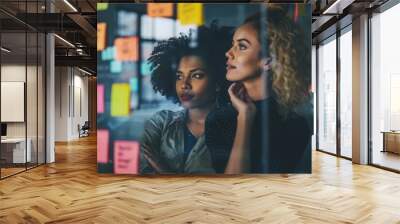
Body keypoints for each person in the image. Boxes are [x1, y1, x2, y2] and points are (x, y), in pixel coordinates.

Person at [205, 6, 312, 174]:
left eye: (241, 46)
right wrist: (245, 118)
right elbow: (231, 184)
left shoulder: (296, 124)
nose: (228, 53)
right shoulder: (219, 119)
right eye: (232, 45)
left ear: (268, 60)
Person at [139, 24, 232, 174]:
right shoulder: (160, 123)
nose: (184, 84)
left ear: (217, 82)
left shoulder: (234, 126)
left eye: (196, 75)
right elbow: (141, 172)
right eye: (179, 76)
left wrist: (164, 171)